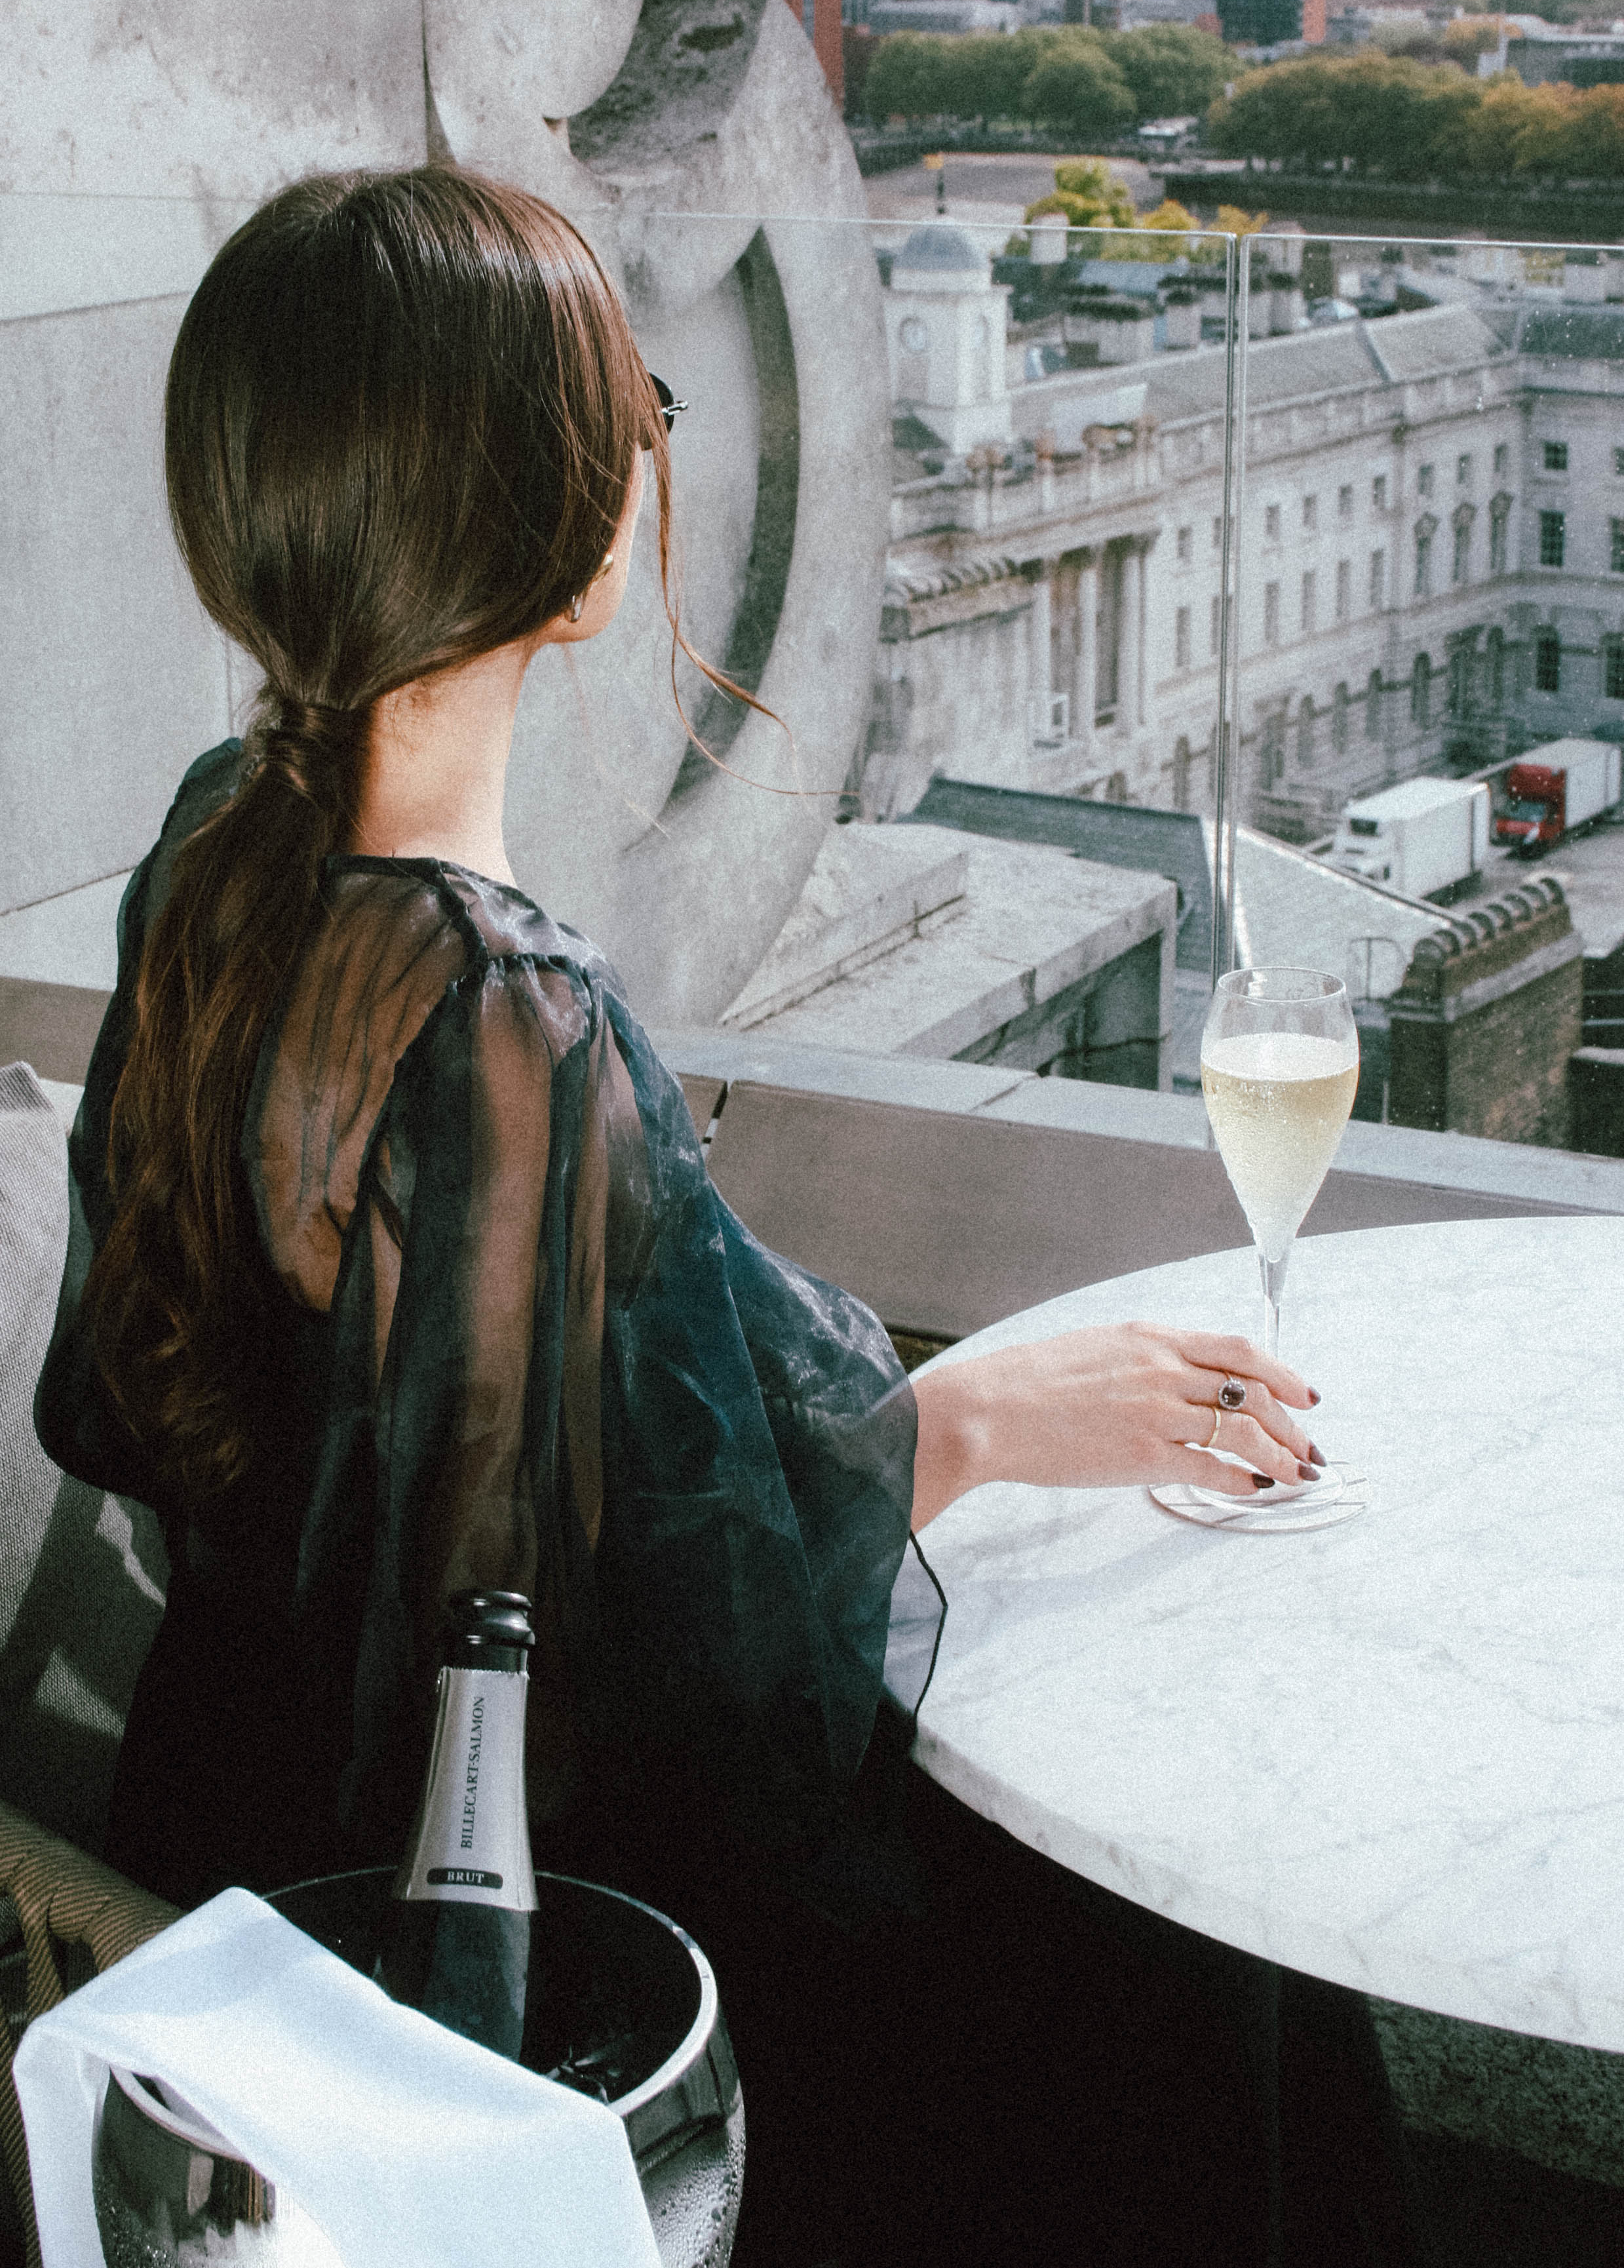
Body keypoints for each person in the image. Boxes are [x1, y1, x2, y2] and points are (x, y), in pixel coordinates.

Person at [34, 168, 1416, 2267]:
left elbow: (170, 1418)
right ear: (562, 527)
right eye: (638, 409)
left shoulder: (213, 856)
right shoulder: (501, 1011)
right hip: (480, 1992)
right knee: (1197, 1931)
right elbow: (645, 1685)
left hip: (225, 1836)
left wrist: (923, 1411)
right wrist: (967, 1419)